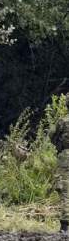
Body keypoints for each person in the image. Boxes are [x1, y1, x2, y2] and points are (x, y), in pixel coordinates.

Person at [50, 94, 69, 233]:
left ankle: (65, 225)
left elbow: (52, 136)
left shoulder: (62, 121)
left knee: (65, 191)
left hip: (65, 157)